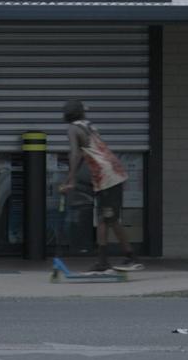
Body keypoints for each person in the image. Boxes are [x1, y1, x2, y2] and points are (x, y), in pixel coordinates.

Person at [58, 100, 143, 273]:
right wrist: (69, 179)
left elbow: (75, 153)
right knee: (108, 219)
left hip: (106, 176)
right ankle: (119, 258)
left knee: (106, 219)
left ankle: (119, 259)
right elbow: (83, 153)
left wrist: (71, 180)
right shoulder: (87, 125)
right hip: (110, 173)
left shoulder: (73, 129)